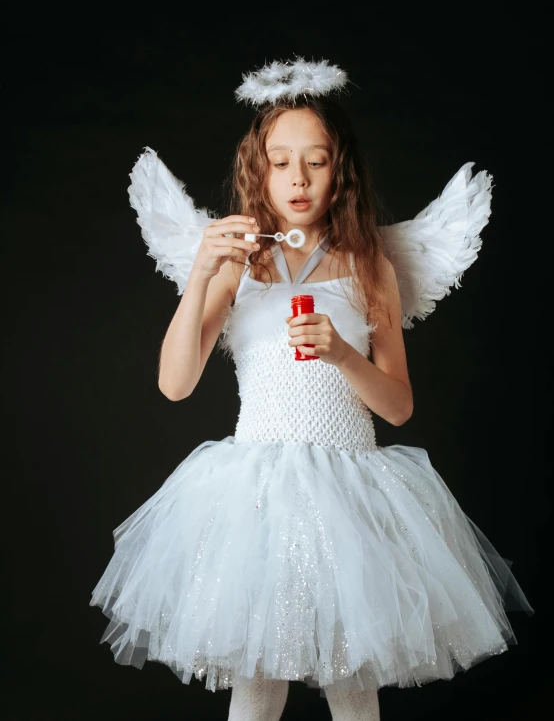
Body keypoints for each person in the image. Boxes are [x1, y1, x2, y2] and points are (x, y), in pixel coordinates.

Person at [90, 58, 533, 721]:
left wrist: (344, 353)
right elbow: (175, 383)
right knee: (257, 677)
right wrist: (200, 275)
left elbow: (399, 405)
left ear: (340, 170)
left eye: (317, 161)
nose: (298, 178)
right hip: (257, 498)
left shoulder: (368, 265)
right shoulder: (239, 262)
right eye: (281, 161)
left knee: (352, 671)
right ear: (258, 170)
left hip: (349, 492)